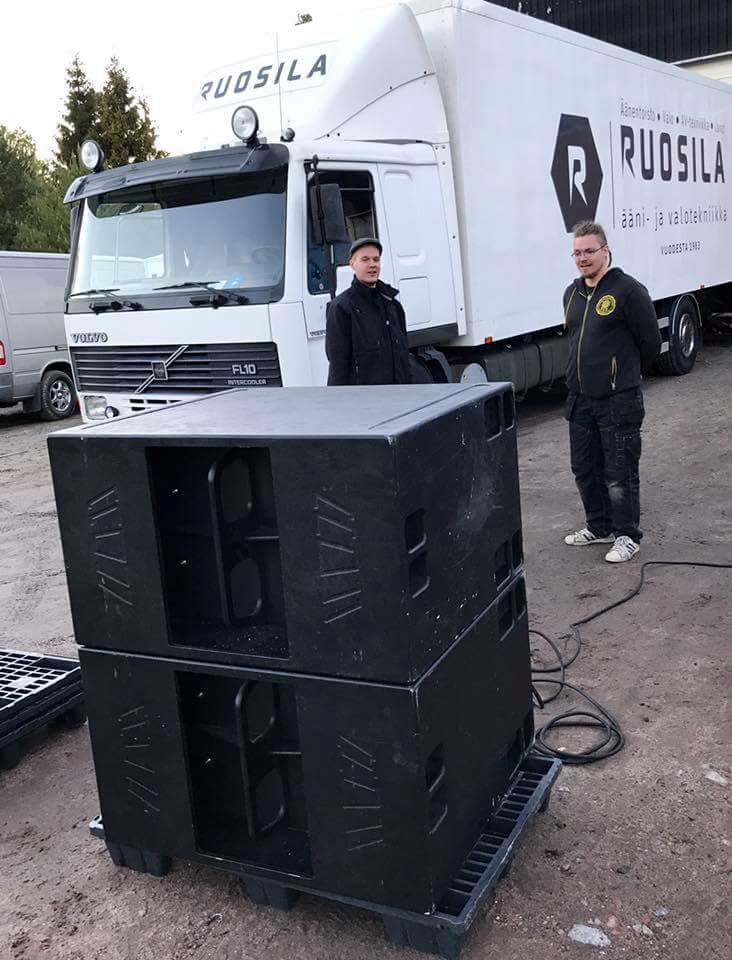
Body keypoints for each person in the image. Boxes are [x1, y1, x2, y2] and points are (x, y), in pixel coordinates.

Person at [563, 221, 661, 563]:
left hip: (618, 400)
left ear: (606, 251)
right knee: (584, 469)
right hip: (580, 400)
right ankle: (600, 527)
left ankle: (627, 536)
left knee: (619, 472)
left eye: (589, 251)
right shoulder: (572, 293)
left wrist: (620, 377)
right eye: (577, 253)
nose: (582, 258)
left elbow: (650, 343)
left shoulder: (628, 291)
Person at [325, 238, 411, 386]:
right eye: (365, 259)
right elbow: (338, 365)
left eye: (376, 259)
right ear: (352, 264)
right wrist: (336, 398)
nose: (372, 264)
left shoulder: (393, 305)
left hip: (399, 395)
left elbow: (404, 358)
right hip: (364, 398)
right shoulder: (341, 308)